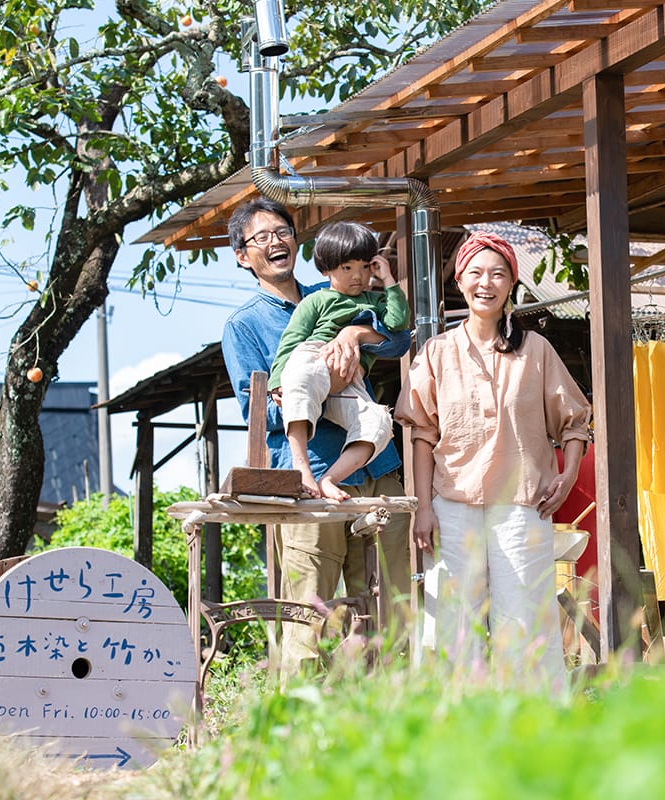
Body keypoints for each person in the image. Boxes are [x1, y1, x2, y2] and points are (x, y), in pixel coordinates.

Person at [221, 198, 412, 678]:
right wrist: (312, 388)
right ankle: (301, 721)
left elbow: (397, 339)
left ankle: (393, 716)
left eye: (282, 231)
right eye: (260, 237)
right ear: (243, 256)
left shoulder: (339, 289)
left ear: (297, 240)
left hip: (376, 470)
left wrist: (354, 335)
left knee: (390, 613)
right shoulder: (244, 325)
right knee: (308, 620)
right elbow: (256, 412)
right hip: (308, 485)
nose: (275, 242)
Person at [394, 231, 592, 692]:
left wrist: (568, 476)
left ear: (511, 284)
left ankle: (533, 722)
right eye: (476, 273)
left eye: (498, 274)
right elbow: (422, 435)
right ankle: (453, 720)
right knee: (452, 620)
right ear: (460, 281)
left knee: (525, 620)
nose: (487, 283)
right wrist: (422, 508)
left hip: (522, 507)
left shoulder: (536, 351)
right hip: (452, 505)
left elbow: (574, 422)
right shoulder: (437, 352)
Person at [269, 220, 409, 501]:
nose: (358, 276)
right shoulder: (316, 301)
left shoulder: (373, 301)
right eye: (347, 268)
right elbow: (291, 341)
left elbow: (398, 323)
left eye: (365, 267)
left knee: (378, 422)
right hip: (315, 357)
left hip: (351, 381)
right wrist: (277, 383)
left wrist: (388, 280)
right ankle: (301, 467)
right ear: (326, 269)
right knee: (299, 375)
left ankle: (329, 479)